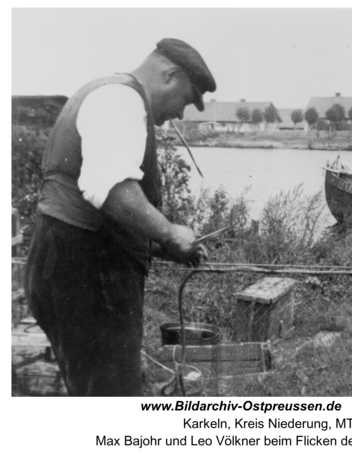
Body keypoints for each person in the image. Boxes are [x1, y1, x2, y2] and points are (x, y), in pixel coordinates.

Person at [24, 38, 216, 396]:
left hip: (67, 263)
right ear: (171, 76)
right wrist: (170, 233)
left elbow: (95, 200)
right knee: (110, 397)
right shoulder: (121, 100)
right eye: (186, 100)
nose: (181, 114)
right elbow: (110, 189)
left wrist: (158, 245)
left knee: (92, 389)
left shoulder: (105, 92)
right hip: (87, 274)